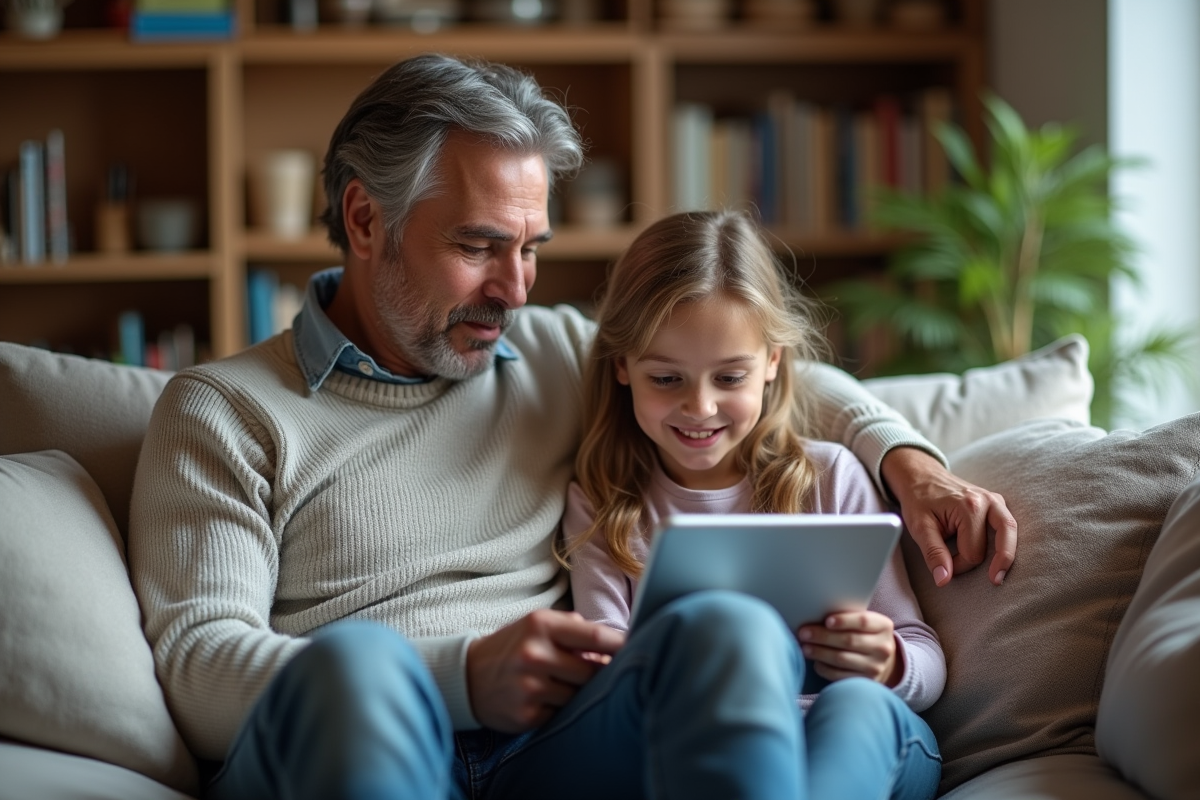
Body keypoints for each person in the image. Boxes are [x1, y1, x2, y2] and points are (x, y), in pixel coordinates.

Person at [127, 53, 1014, 799]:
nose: (516, 291)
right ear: (366, 219)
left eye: (532, 248)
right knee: (360, 665)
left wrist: (907, 461)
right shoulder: (225, 410)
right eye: (478, 247)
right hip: (349, 736)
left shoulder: (550, 351)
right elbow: (202, 668)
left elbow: (752, 372)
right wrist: (463, 676)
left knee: (724, 630)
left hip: (546, 752)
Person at [560, 209, 945, 799]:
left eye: (729, 378)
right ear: (622, 366)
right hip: (701, 742)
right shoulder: (607, 503)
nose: (701, 407)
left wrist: (889, 661)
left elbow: (925, 657)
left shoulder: (829, 476)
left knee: (858, 705)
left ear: (771, 362)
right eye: (666, 379)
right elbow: (605, 666)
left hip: (853, 734)